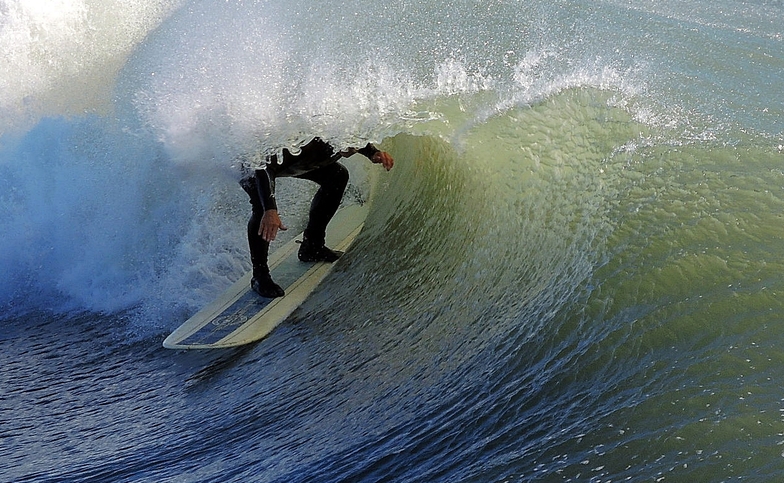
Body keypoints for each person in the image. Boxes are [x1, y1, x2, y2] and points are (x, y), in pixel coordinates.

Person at [240, 137, 394, 298]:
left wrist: (372, 153)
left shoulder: (342, 136)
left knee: (337, 175)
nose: (354, 149)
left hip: (285, 163)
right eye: (352, 145)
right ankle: (259, 276)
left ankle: (312, 246)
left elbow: (354, 137)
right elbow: (264, 166)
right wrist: (270, 209)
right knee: (262, 207)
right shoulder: (311, 143)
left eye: (358, 146)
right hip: (253, 163)